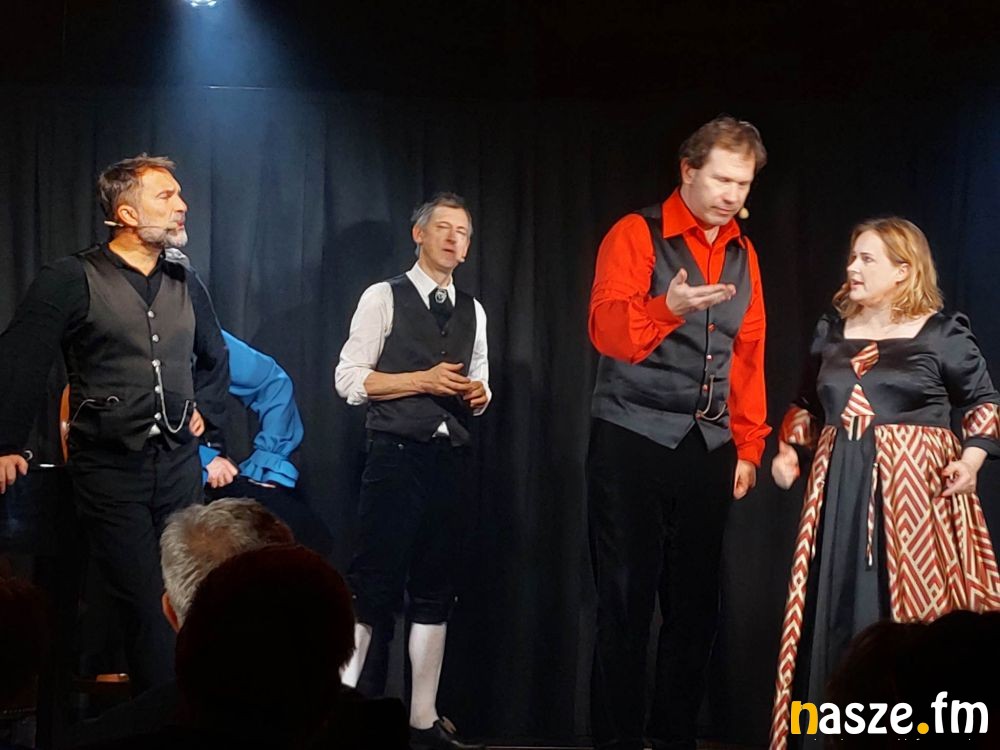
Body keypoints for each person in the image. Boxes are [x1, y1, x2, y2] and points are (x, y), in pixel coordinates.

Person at [768, 217, 1000, 749]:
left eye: (867, 259)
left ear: (903, 270)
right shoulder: (832, 329)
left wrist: (970, 462)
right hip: (839, 490)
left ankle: (915, 733)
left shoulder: (941, 332)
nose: (852, 267)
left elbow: (983, 403)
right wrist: (788, 450)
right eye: (853, 257)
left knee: (910, 612)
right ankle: (830, 735)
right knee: (834, 604)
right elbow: (806, 404)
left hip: (915, 490)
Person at [0, 154, 229, 692]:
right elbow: (22, 359)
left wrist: (208, 418)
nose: (182, 205)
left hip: (178, 467)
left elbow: (214, 357)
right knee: (147, 602)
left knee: (187, 595)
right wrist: (6, 442)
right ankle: (165, 712)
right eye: (166, 196)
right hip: (109, 468)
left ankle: (190, 708)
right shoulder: (71, 277)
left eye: (179, 195)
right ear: (126, 213)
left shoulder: (184, 279)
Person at [586, 115, 769, 750]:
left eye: (742, 184)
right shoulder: (637, 233)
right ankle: (616, 741)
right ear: (687, 171)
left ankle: (673, 738)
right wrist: (667, 308)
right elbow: (607, 331)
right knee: (626, 601)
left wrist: (749, 444)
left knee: (695, 608)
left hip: (708, 446)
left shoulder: (744, 254)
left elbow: (748, 354)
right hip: (631, 437)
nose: (731, 195)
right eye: (721, 179)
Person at [334, 192, 490, 750]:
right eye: (442, 228)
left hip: (450, 458)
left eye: (462, 232)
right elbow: (349, 379)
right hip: (395, 455)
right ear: (418, 235)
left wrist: (478, 395)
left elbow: (482, 380)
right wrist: (419, 381)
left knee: (435, 588)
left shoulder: (473, 310)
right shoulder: (383, 296)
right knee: (372, 585)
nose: (453, 239)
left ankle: (423, 720)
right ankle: (337, 712)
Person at [198, 329, 333, 554]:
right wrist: (202, 460)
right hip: (157, 475)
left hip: (212, 480)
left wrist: (269, 461)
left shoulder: (196, 329)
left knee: (308, 536)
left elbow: (271, 383)